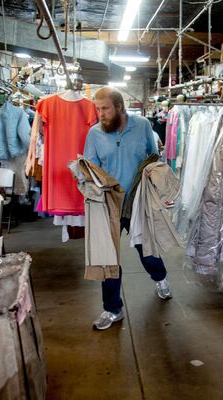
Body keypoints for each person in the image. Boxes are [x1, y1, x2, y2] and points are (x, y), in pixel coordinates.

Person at [84, 87, 172, 331]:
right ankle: (112, 309)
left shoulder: (143, 125)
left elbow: (153, 157)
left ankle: (161, 278)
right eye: (97, 108)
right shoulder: (94, 133)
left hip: (137, 200)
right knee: (107, 257)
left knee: (147, 251)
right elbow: (89, 168)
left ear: (120, 107)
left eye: (105, 108)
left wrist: (157, 186)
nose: (100, 113)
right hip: (109, 201)